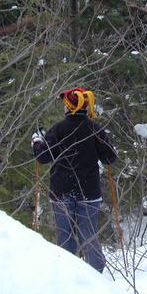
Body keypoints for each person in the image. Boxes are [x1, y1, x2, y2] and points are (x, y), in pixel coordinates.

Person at [31, 87, 117, 272]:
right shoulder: (95, 130)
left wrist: (37, 141)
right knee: (89, 236)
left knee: (65, 236)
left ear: (69, 107)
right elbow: (110, 158)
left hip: (61, 191)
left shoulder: (58, 130)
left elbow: (43, 157)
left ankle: (68, 277)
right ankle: (97, 275)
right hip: (89, 192)